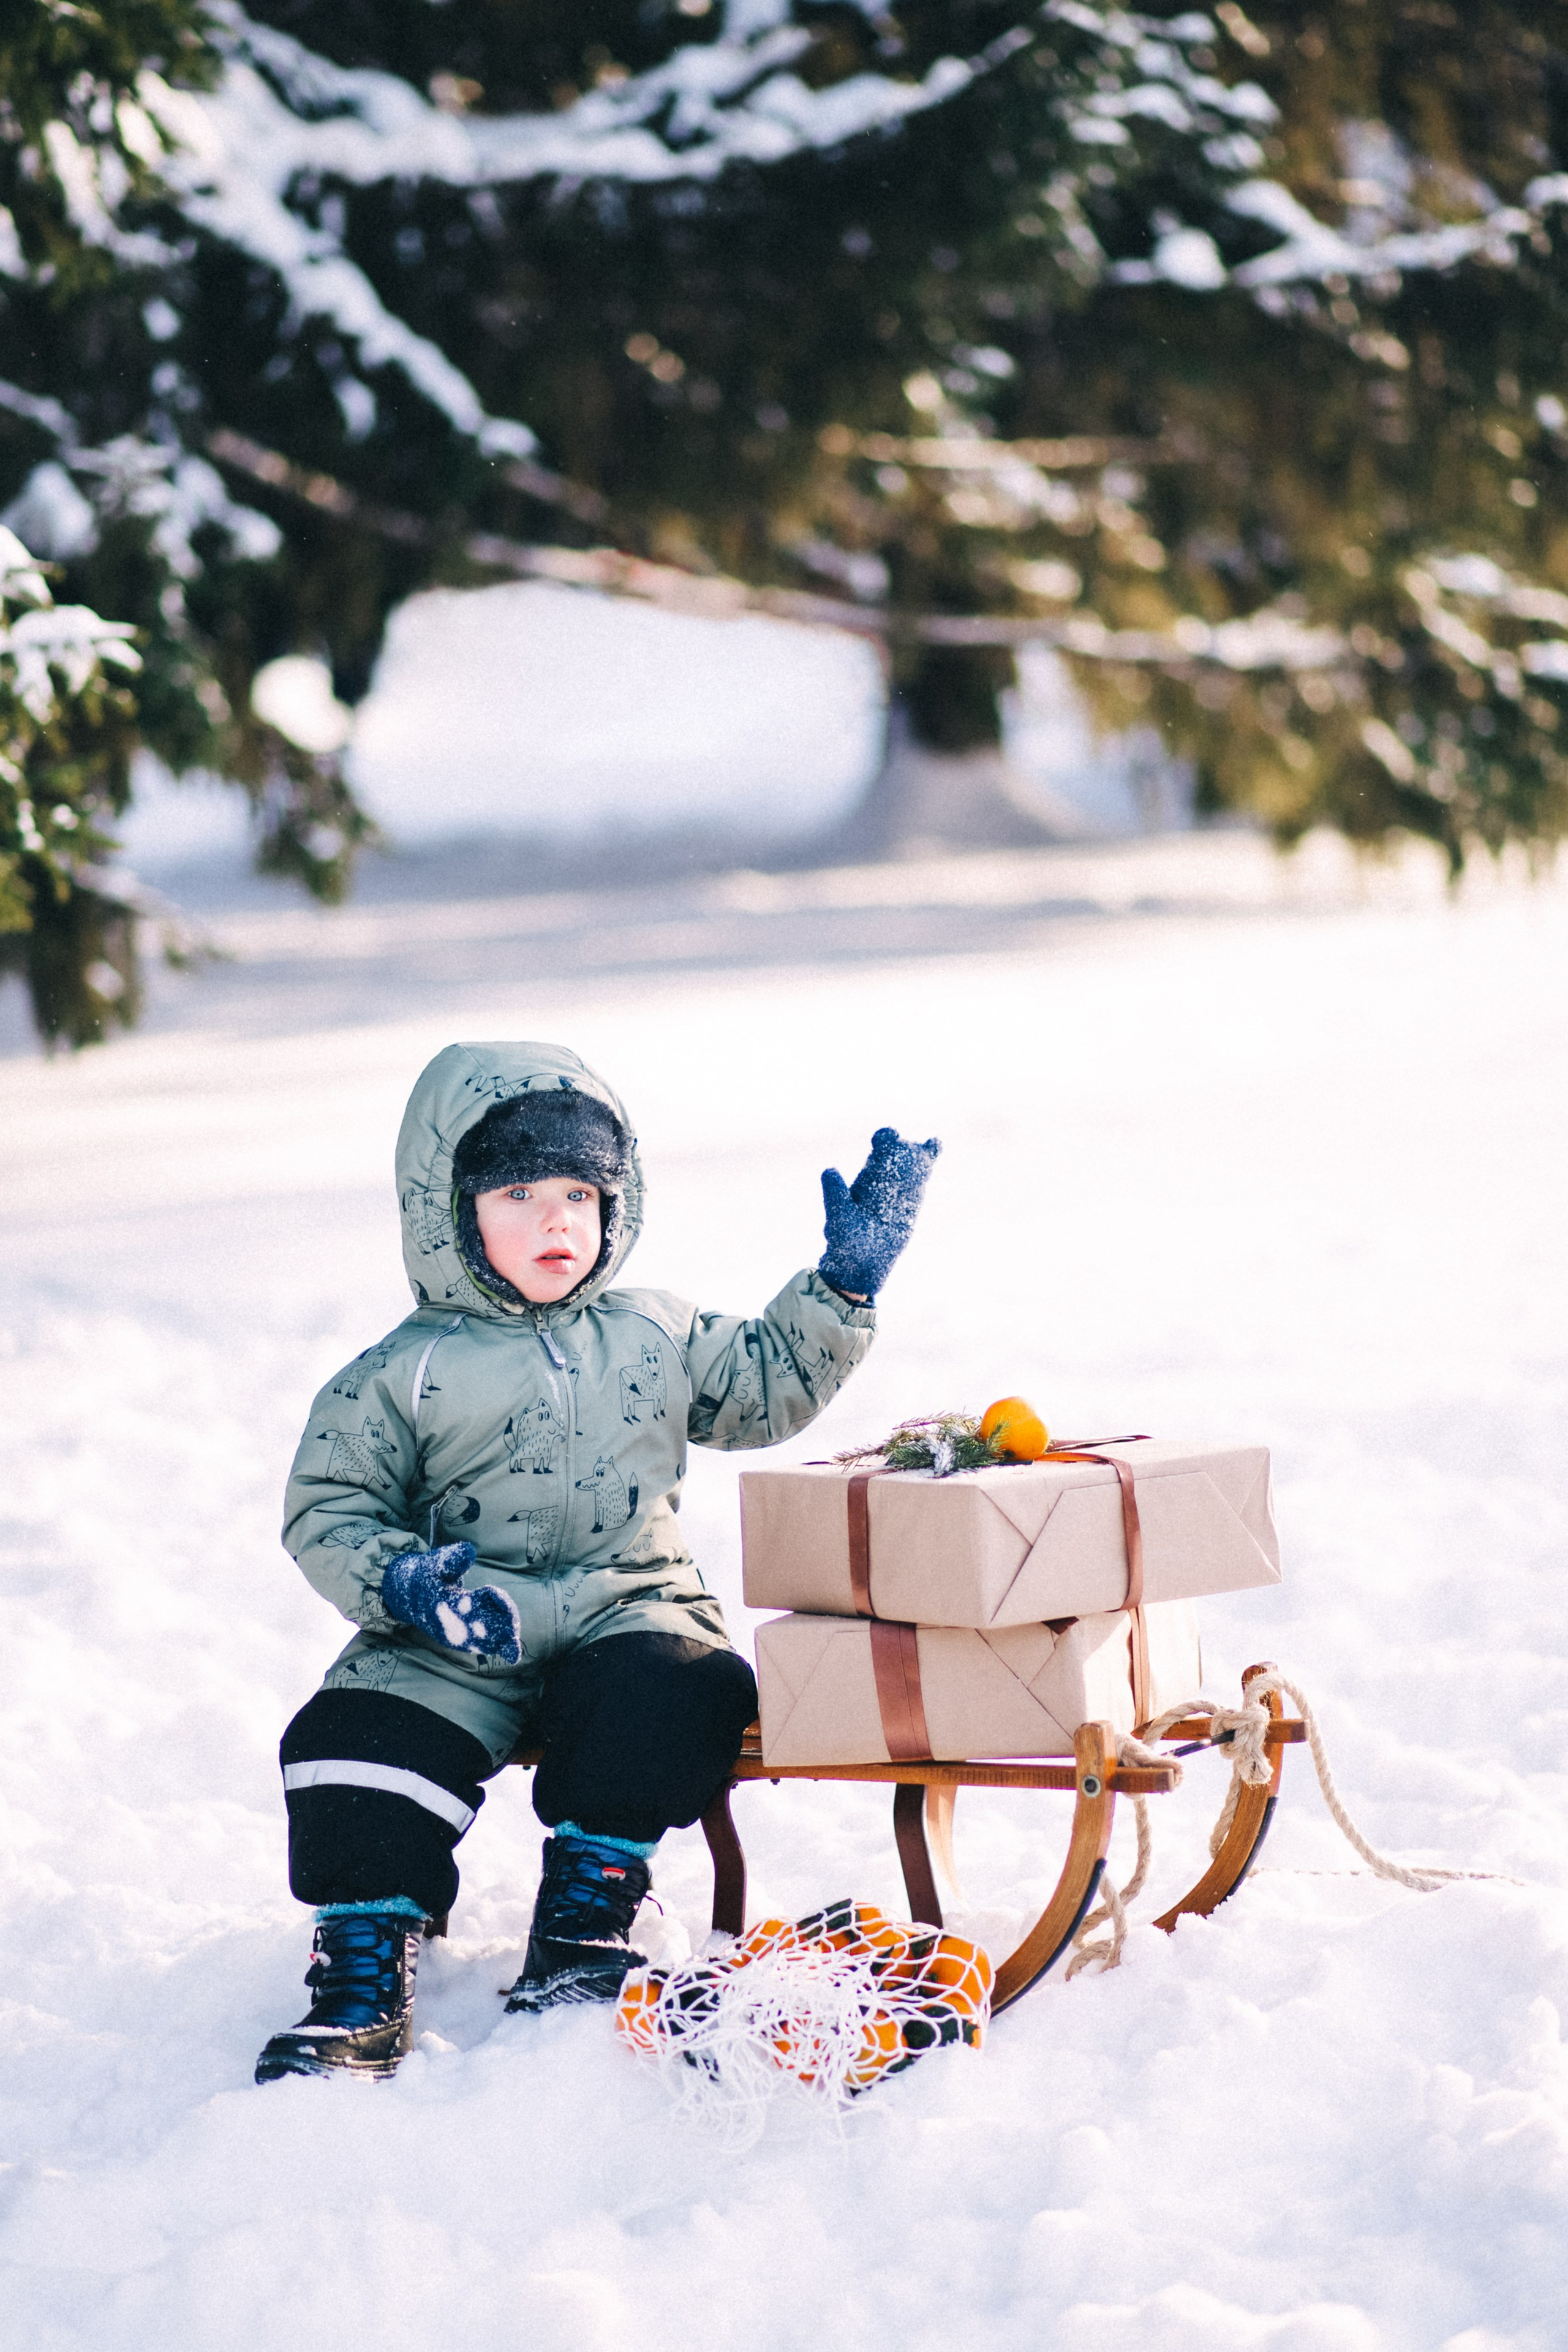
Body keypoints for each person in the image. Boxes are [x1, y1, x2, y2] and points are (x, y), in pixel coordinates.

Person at [255, 1039, 939, 2081]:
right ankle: (361, 1961)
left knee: (681, 1691)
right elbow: (331, 1508)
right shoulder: (401, 1372)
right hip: (455, 1629)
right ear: (450, 1209)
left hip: (628, 1605)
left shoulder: (654, 1330)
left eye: (581, 1190)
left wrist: (842, 1287)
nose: (556, 1218)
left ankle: (587, 1912)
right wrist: (403, 1584)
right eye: (519, 1190)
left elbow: (764, 1388)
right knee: (351, 1744)